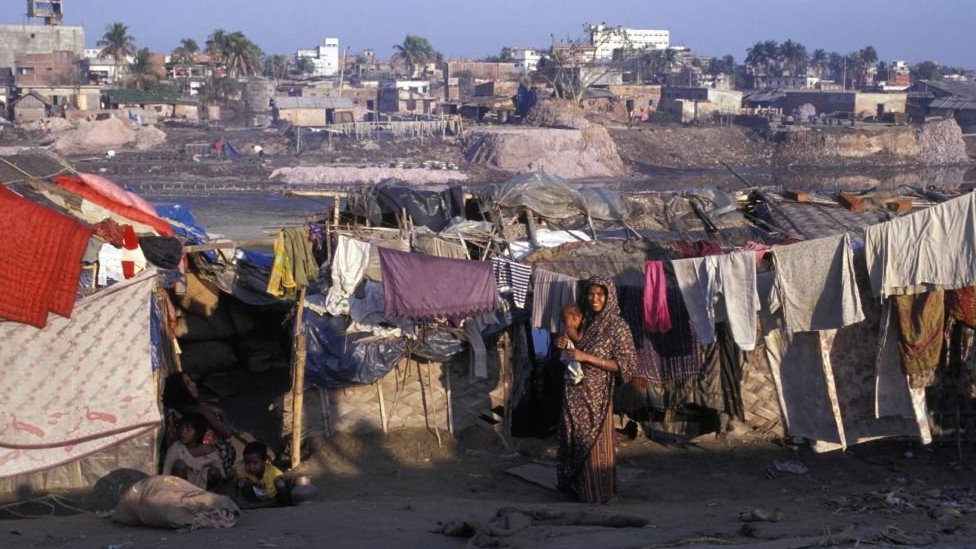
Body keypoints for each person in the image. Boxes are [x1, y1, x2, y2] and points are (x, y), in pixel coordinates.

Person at [555, 276, 637, 504]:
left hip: (598, 396)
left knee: (595, 444)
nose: (595, 298)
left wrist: (586, 357)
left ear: (609, 296)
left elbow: (626, 365)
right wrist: (562, 345)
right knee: (574, 439)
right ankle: (577, 490)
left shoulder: (617, 326)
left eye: (600, 294)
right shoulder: (586, 321)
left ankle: (598, 493)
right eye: (591, 294)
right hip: (574, 393)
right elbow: (572, 345)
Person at [162, 372, 236, 478]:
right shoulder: (202, 411)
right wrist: (221, 413)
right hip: (201, 462)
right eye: (188, 383)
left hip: (181, 461)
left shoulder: (173, 410)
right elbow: (228, 433)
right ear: (181, 391)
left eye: (191, 381)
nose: (194, 384)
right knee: (227, 449)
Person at [162, 412, 226, 489]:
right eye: (182, 428)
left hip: (201, 489)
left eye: (188, 429)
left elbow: (221, 474)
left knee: (214, 472)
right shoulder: (176, 448)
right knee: (180, 465)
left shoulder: (208, 450)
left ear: (198, 433)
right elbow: (166, 472)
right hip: (181, 489)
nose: (183, 432)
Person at [235, 441, 293, 508]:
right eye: (247, 463)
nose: (251, 466)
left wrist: (254, 505)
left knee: (280, 483)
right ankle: (256, 503)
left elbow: (272, 499)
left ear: (264, 461)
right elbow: (235, 476)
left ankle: (284, 505)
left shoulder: (272, 473)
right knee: (241, 482)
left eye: (255, 463)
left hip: (275, 497)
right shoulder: (243, 470)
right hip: (260, 495)